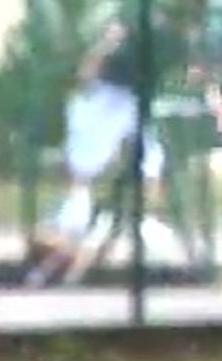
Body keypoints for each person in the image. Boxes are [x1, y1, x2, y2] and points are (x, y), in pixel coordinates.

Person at [25, 18, 171, 286]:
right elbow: (86, 75)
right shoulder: (88, 101)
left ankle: (64, 272)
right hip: (83, 180)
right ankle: (60, 270)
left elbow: (147, 159)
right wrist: (107, 43)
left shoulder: (123, 104)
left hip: (94, 180)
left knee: (80, 228)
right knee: (69, 229)